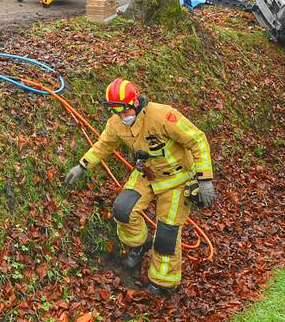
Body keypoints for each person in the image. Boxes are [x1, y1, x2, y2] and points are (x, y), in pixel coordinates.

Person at [63, 78, 215, 295]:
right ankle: (139, 245)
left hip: (177, 181)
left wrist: (205, 180)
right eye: (116, 112)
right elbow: (103, 145)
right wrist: (82, 165)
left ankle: (163, 283)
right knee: (123, 210)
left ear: (134, 102)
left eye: (124, 111)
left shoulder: (162, 115)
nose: (121, 117)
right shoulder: (116, 124)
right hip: (147, 176)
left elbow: (197, 140)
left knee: (166, 235)